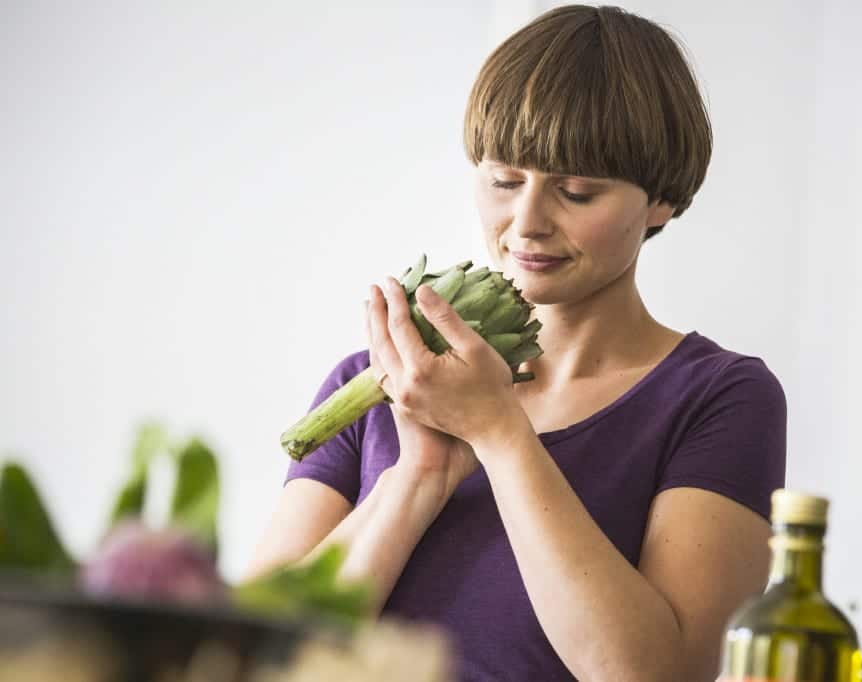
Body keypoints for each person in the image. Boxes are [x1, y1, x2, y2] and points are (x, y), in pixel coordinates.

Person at [248, 5, 786, 680]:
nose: (526, 221)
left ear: (662, 201)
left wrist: (501, 436)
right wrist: (415, 479)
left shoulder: (720, 397)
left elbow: (654, 673)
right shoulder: (380, 382)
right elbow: (247, 659)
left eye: (577, 192)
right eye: (504, 181)